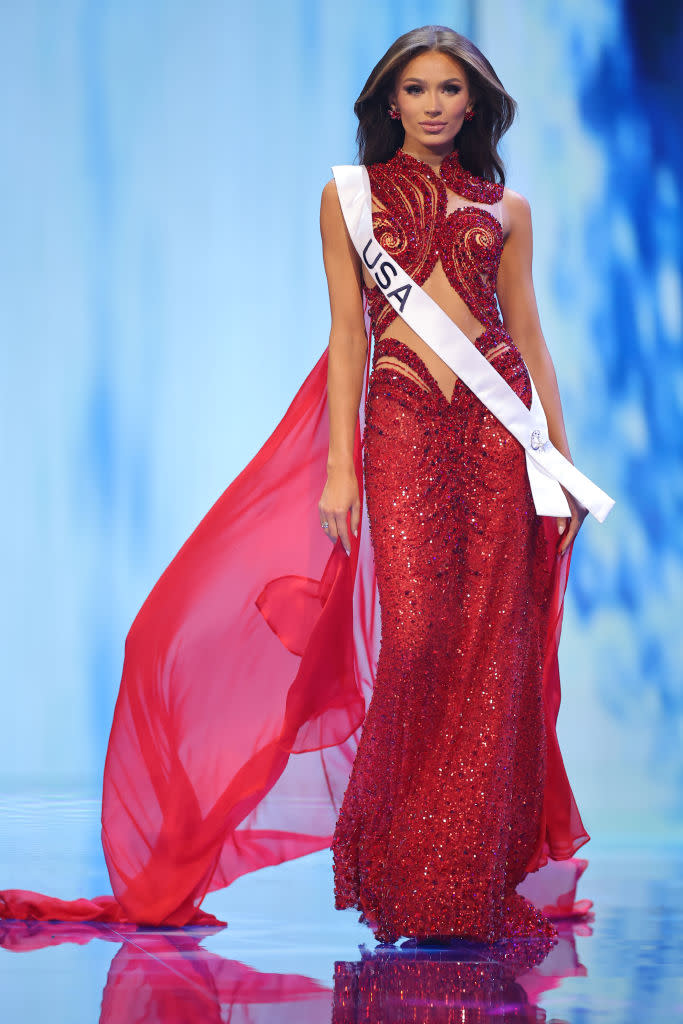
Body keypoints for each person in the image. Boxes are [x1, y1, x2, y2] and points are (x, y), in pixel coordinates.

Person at [0, 26, 610, 945]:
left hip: (497, 440)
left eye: (453, 90)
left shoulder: (510, 208)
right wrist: (340, 470)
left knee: (489, 654)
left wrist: (557, 466)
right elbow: (350, 340)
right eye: (418, 88)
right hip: (400, 430)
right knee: (413, 644)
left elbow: (528, 336)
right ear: (389, 101)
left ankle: (464, 881)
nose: (436, 105)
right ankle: (403, 871)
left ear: (476, 103)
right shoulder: (348, 196)